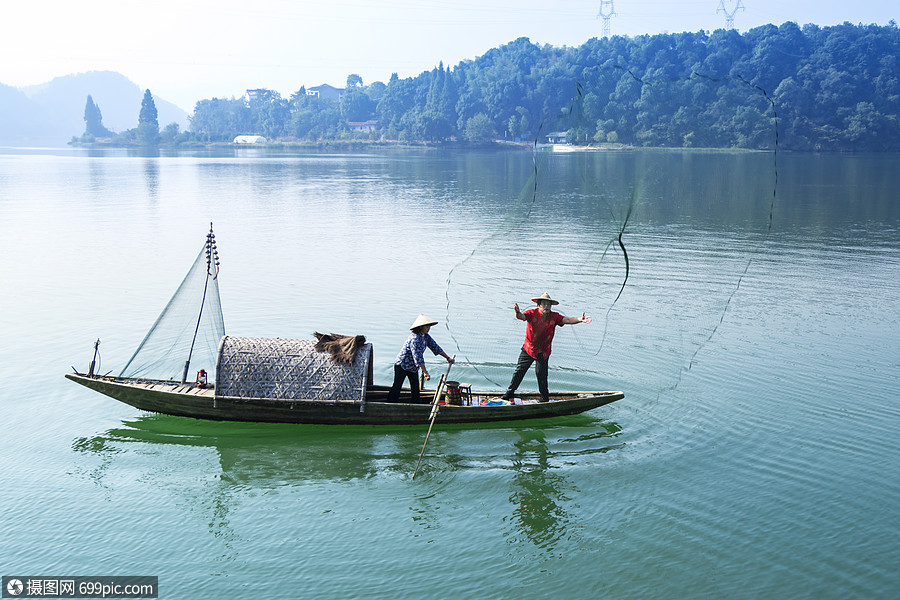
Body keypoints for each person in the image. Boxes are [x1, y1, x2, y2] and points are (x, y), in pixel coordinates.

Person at [502, 293, 591, 403]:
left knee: (541, 374)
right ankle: (510, 392)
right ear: (538, 305)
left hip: (543, 351)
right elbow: (521, 317)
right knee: (520, 370)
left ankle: (544, 398)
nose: (547, 307)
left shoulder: (554, 316)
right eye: (544, 304)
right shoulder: (532, 314)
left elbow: (567, 320)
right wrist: (517, 312)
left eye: (549, 304)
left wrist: (579, 319)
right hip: (529, 348)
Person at [387, 313, 455, 403]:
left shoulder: (425, 336)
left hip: (412, 366)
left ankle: (416, 405)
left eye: (429, 326)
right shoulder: (415, 338)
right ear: (421, 327)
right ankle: (390, 404)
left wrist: (447, 358)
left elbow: (435, 347)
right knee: (397, 386)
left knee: (415, 388)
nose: (429, 328)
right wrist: (425, 372)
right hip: (402, 365)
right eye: (427, 326)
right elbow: (418, 357)